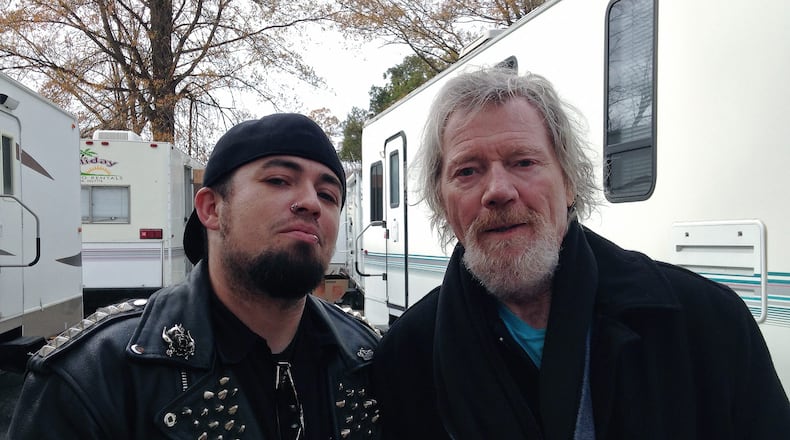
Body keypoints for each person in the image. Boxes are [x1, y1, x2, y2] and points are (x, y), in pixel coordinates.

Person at [371, 67, 790, 439]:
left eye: (524, 161)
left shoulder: (706, 325)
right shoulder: (408, 357)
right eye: (467, 171)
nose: (498, 190)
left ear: (569, 183)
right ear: (444, 204)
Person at [9, 113, 382, 439]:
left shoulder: (366, 359)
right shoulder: (95, 377)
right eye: (279, 180)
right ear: (211, 208)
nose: (312, 203)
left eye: (329, 194)